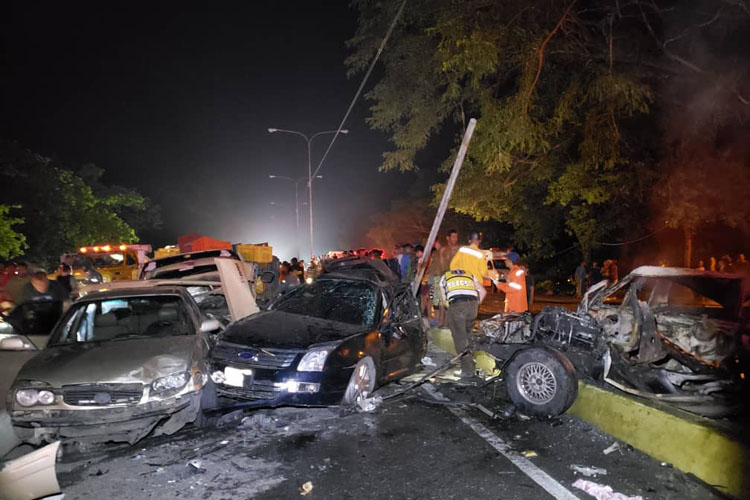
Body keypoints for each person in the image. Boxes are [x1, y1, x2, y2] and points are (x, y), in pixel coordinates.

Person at [445, 232, 490, 383]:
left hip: (460, 286)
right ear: (480, 240)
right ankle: (469, 361)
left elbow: (452, 265)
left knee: (460, 334)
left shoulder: (463, 250)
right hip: (474, 290)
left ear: (469, 239)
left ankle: (467, 368)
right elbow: (483, 272)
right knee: (468, 331)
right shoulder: (481, 254)